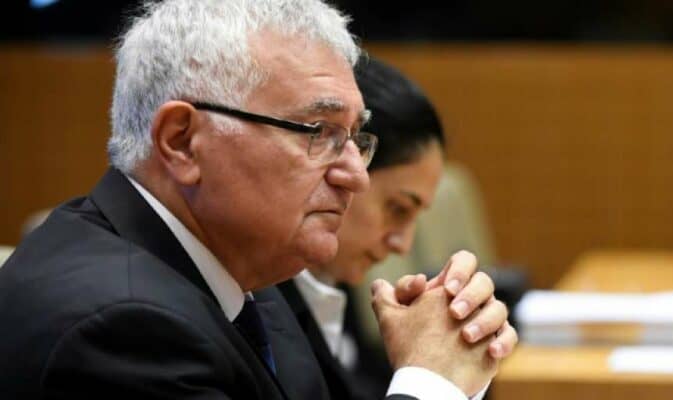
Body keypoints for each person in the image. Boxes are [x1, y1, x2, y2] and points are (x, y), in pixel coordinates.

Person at [0, 1, 512, 399]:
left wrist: (449, 362)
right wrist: (430, 383)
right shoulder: (120, 330)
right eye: (318, 132)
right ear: (182, 142)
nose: (356, 176)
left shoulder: (244, 275)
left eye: (354, 138)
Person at [264, 57, 517, 400]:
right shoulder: (257, 306)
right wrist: (429, 376)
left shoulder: (334, 285)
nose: (403, 244)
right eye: (397, 208)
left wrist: (460, 358)